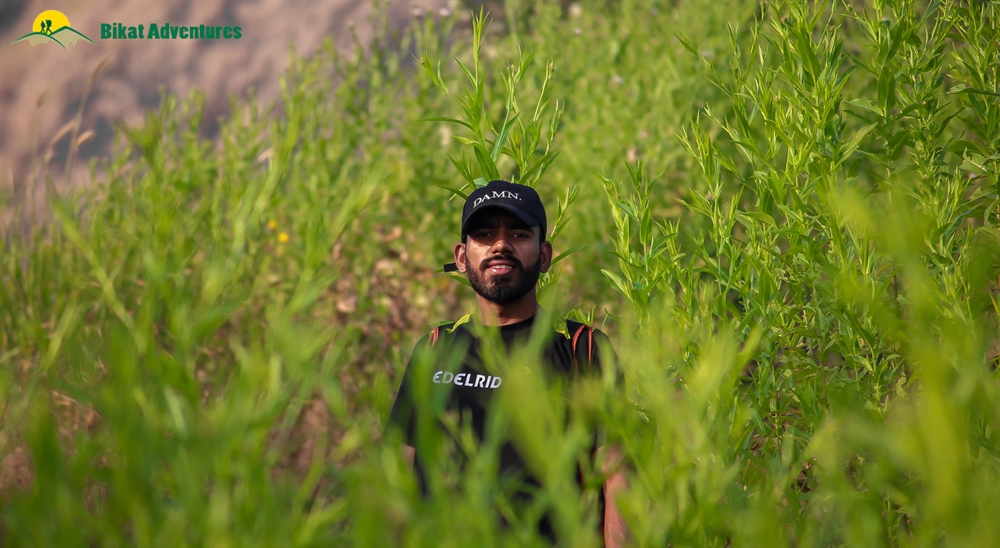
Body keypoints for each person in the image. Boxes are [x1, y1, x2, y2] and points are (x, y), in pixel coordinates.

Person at [384, 180, 627, 546]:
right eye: (484, 234)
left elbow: (617, 477)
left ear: (544, 256)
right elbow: (397, 474)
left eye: (518, 233)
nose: (501, 245)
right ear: (463, 257)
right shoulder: (435, 349)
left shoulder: (584, 349)